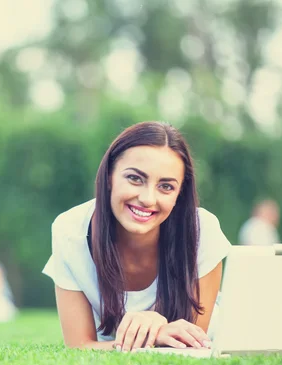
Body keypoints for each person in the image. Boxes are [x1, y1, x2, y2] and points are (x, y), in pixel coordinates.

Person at [42, 121, 231, 352]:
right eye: (135, 178)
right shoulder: (71, 231)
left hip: (214, 342)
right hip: (119, 348)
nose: (148, 199)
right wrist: (156, 333)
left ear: (179, 194)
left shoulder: (203, 231)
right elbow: (79, 345)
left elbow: (190, 342)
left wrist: (155, 330)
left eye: (166, 187)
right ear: (110, 176)